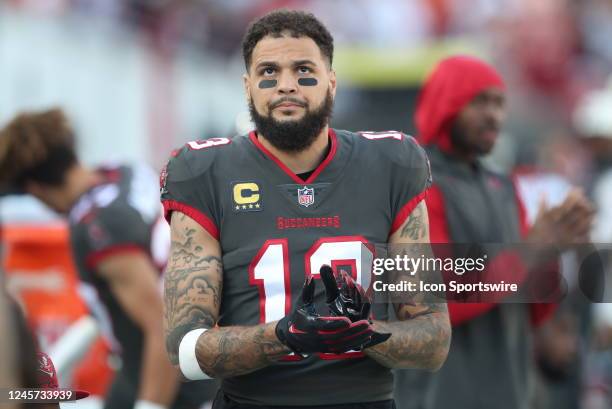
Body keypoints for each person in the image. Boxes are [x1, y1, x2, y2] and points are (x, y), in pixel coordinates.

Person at [161, 9, 451, 409]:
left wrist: (363, 333)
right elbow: (185, 350)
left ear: (331, 81)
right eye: (268, 72)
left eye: (303, 70)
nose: (286, 85)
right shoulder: (205, 171)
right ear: (248, 86)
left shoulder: (392, 163)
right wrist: (284, 335)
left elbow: (433, 339)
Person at [394, 55, 594, 409]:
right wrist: (529, 249)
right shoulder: (415, 182)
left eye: (500, 103)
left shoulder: (503, 186)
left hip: (509, 391)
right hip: (439, 395)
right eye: (480, 101)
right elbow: (434, 301)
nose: (494, 115)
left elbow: (526, 301)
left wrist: (553, 250)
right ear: (446, 102)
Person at [0, 109, 215, 409]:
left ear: (34, 188)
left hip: (173, 383)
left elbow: (163, 325)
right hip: (193, 358)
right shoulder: (123, 170)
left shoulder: (97, 226)